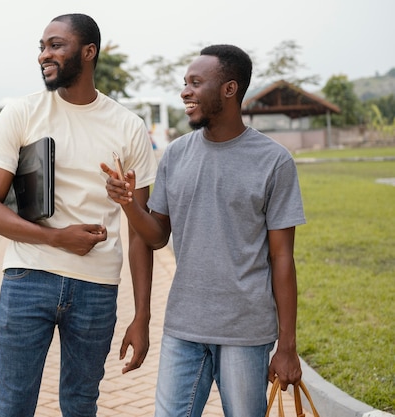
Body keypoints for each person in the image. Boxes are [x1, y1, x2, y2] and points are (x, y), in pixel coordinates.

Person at [102, 44, 306, 417]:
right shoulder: (176, 155)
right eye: (185, 83)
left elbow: (282, 258)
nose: (185, 92)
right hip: (184, 327)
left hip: (246, 332)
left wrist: (288, 346)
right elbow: (157, 236)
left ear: (229, 89)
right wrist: (130, 203)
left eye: (196, 83)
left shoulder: (274, 161)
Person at [0, 13, 158, 417]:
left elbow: (141, 231)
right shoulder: (21, 113)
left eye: (56, 45)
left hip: (96, 288)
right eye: (41, 47)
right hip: (27, 278)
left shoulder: (128, 126)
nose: (44, 55)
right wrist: (56, 238)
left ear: (88, 52)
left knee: (80, 405)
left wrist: (142, 316)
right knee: (14, 405)